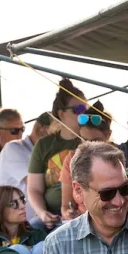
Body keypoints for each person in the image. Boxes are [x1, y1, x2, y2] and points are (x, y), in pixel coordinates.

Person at [28, 79, 88, 228]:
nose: (84, 114)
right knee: (33, 228)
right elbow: (34, 189)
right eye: (78, 109)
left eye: (87, 109)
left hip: (83, 215)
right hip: (52, 218)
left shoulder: (91, 142)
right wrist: (42, 213)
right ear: (61, 114)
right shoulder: (44, 145)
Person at [0, 112, 53, 225]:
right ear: (40, 129)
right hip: (9, 231)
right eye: (56, 134)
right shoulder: (14, 149)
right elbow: (41, 183)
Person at [60, 100, 112, 219]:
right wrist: (68, 213)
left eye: (95, 141)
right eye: (84, 139)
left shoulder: (119, 158)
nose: (89, 146)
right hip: (82, 220)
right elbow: (65, 206)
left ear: (108, 135)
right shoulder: (72, 159)